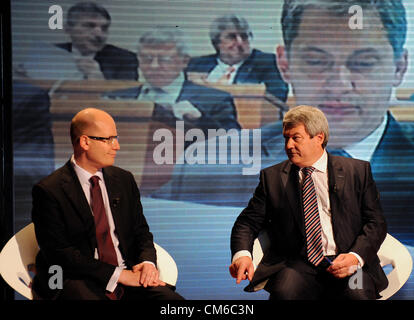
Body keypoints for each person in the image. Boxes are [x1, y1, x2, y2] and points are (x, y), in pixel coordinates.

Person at [152, 0, 414, 246]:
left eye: (364, 63)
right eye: (315, 61)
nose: (340, 84)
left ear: (399, 67)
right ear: (284, 63)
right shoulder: (212, 163)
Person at [229, 105, 388, 300]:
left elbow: (376, 223)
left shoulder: (356, 171)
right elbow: (247, 223)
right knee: (284, 294)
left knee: (358, 295)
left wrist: (356, 256)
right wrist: (242, 254)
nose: (288, 145)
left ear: (319, 138)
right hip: (298, 265)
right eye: (286, 138)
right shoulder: (272, 178)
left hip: (350, 264)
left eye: (296, 138)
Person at [31, 108, 184, 300]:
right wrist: (119, 275)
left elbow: (141, 232)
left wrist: (147, 263)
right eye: (108, 139)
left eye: (116, 138)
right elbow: (60, 254)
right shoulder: (49, 190)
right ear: (85, 142)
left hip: (130, 278)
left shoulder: (124, 180)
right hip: (79, 279)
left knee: (174, 303)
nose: (117, 146)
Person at [107, 26, 241, 139]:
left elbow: (234, 145)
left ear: (184, 61)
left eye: (164, 59)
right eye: (147, 59)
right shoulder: (115, 99)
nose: (154, 66)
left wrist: (200, 120)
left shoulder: (216, 100)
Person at [16, 1, 138, 80]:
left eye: (104, 28)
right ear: (68, 29)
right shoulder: (48, 56)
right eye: (89, 26)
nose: (99, 34)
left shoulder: (125, 59)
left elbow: (126, 100)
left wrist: (98, 79)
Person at [186, 14, 288, 102]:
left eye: (244, 36)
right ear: (216, 42)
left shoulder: (266, 62)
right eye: (231, 37)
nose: (239, 42)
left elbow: (279, 95)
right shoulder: (197, 64)